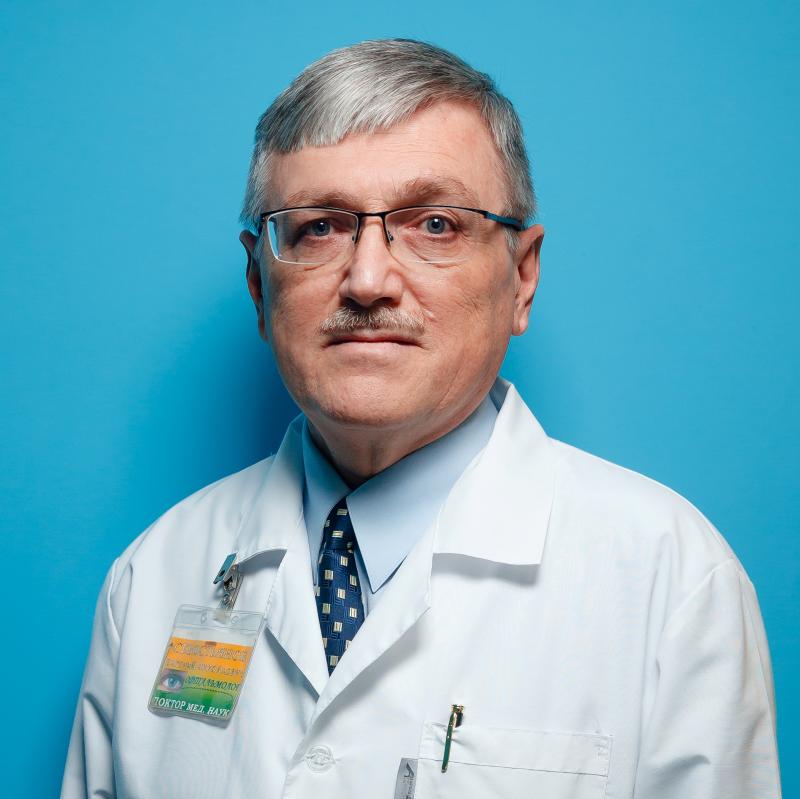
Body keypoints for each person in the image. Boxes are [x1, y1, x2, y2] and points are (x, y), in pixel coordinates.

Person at [61, 39, 782, 798]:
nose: (368, 280)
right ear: (258, 284)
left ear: (521, 278)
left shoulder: (668, 579)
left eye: (435, 224)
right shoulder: (155, 576)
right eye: (319, 227)